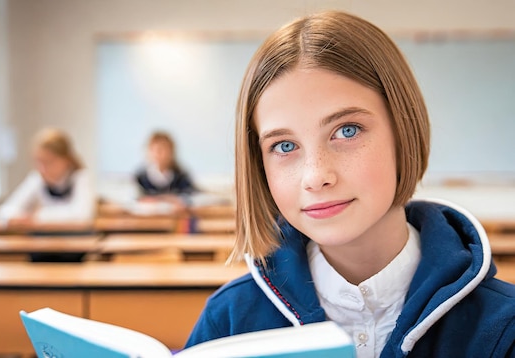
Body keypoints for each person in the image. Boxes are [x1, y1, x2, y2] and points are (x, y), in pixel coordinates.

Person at [185, 11, 515, 357]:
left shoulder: (502, 327)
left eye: (347, 130)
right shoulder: (229, 324)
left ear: (403, 130)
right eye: (284, 146)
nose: (315, 176)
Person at [0, 128, 95, 261]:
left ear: (66, 159)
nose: (42, 168)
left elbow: (83, 216)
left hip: (75, 249)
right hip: (42, 248)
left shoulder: (80, 178)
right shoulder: (36, 179)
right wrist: (14, 218)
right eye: (38, 162)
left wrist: (38, 217)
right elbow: (5, 211)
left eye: (48, 162)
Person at [135, 131, 197, 198]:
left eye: (165, 150)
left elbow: (191, 196)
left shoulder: (181, 177)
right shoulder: (140, 177)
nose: (161, 154)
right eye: (157, 150)